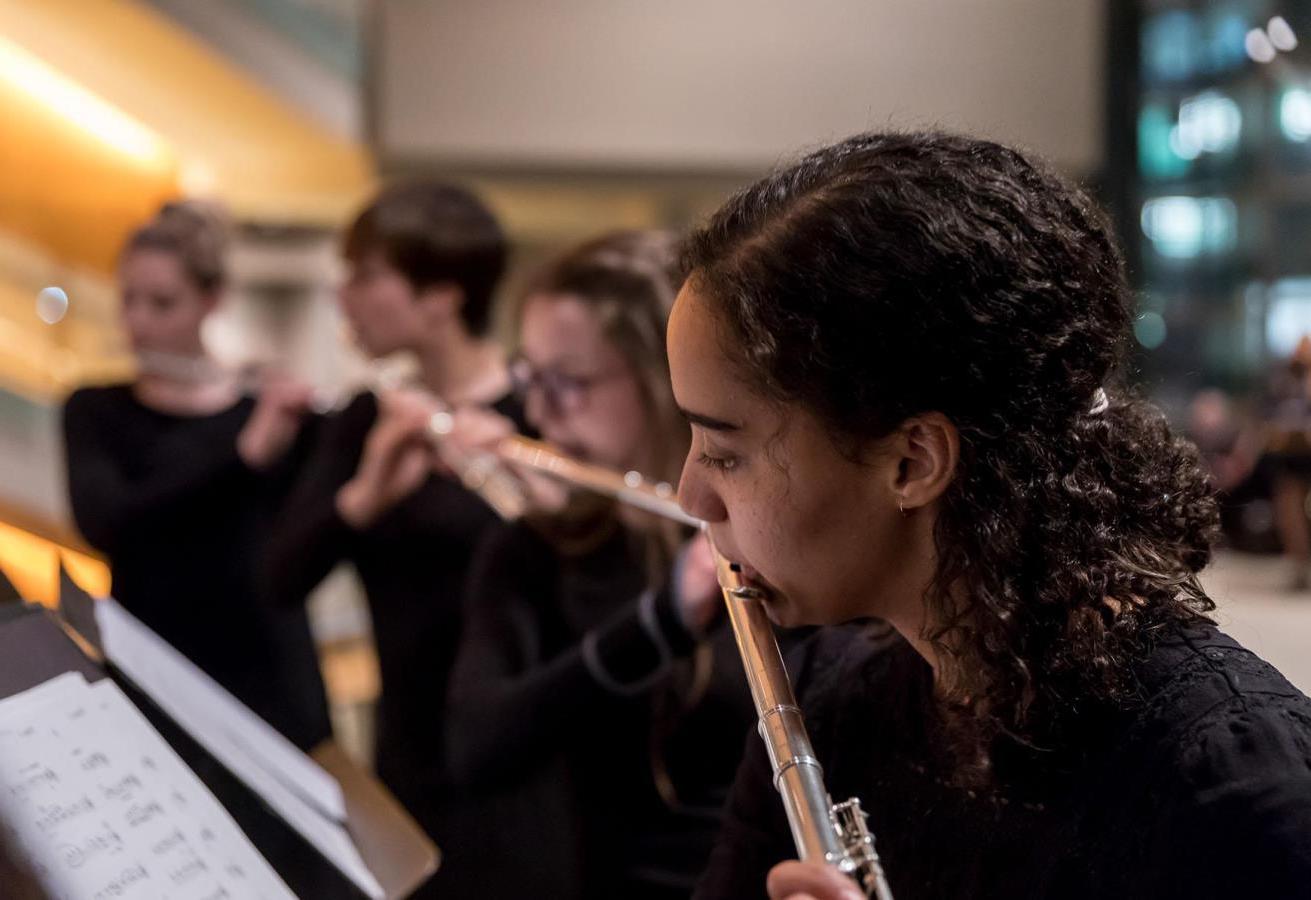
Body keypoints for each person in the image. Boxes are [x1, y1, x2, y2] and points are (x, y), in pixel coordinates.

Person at [667, 132, 1311, 900]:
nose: (689, 497)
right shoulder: (828, 698)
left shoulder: (1233, 783)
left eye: (722, 451)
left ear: (911, 462)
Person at [443, 231, 759, 899]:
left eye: (571, 380)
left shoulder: (763, 548)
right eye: (531, 375)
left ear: (663, 378)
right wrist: (656, 623)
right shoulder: (532, 551)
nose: (537, 409)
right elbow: (475, 745)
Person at [262, 182, 527, 880]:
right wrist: (365, 494)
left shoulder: (534, 414)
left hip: (522, 756)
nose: (342, 295)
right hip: (408, 757)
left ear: (441, 297)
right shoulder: (364, 421)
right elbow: (279, 578)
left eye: (366, 275)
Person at [62, 201, 330, 749]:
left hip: (266, 683)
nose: (138, 322)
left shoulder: (269, 412)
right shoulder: (96, 409)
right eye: (128, 300)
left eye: (162, 304)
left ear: (212, 301)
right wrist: (242, 457)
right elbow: (106, 521)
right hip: (154, 672)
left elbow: (306, 543)